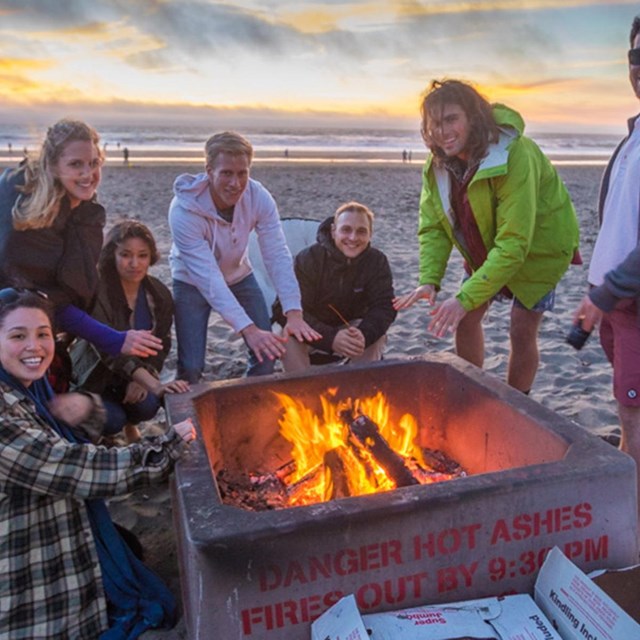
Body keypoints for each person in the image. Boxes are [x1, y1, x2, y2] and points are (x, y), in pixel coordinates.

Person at [0, 287, 196, 638]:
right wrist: (167, 448)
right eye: (18, 336)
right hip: (28, 589)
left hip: (63, 534)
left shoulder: (29, 388)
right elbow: (73, 467)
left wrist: (87, 408)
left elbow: (72, 433)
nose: (35, 346)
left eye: (43, 334)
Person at [394, 79, 580, 393]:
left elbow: (514, 244)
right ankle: (473, 393)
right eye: (434, 123)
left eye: (451, 119)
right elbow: (435, 226)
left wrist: (464, 298)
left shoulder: (512, 154)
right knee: (464, 319)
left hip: (539, 248)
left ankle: (517, 402)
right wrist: (429, 278)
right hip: (486, 245)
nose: (442, 131)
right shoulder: (437, 165)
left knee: (521, 330)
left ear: (473, 117)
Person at [0, 118, 162, 360]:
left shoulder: (82, 210)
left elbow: (77, 286)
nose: (88, 174)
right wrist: (113, 338)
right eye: (76, 164)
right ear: (53, 166)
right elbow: (36, 298)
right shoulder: (28, 215)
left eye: (94, 163)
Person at [168, 130, 320, 382]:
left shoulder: (258, 197)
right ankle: (187, 419)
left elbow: (277, 254)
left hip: (239, 274)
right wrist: (247, 330)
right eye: (226, 173)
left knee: (267, 353)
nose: (235, 183)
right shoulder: (183, 211)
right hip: (192, 281)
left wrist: (294, 312)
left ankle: (249, 406)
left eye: (242, 173)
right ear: (209, 170)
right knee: (191, 366)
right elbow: (208, 279)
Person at [572, 15, 640, 522]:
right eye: (637, 56)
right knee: (627, 411)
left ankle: (627, 526)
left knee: (634, 416)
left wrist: (606, 290)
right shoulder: (631, 139)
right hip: (614, 300)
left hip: (628, 302)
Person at [70, 220, 190, 441]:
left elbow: (162, 344)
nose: (134, 263)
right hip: (95, 375)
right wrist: (154, 384)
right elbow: (107, 350)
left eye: (142, 255)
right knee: (112, 419)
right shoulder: (98, 292)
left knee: (147, 406)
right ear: (112, 256)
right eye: (125, 255)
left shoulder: (159, 293)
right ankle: (99, 431)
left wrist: (145, 377)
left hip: (134, 375)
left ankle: (131, 424)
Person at [273, 202, 396, 371]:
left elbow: (385, 306)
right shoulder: (309, 259)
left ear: (370, 234)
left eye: (361, 231)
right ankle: (301, 392)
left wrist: (364, 334)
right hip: (311, 331)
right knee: (284, 334)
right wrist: (331, 338)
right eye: (346, 229)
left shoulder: (377, 261)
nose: (353, 238)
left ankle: (358, 390)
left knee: (377, 336)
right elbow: (282, 308)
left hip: (351, 329)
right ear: (333, 231)